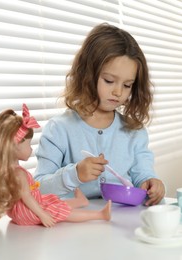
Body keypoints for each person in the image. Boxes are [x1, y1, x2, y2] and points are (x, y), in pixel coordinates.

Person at [34, 23, 165, 206]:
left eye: (127, 85)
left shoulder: (134, 131)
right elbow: (38, 188)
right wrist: (74, 174)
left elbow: (142, 174)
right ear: (87, 74)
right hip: (74, 225)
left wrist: (151, 184)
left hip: (121, 225)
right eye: (109, 81)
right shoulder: (59, 129)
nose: (118, 92)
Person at [0, 104, 112, 227]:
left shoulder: (10, 170)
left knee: (51, 201)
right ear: (14, 147)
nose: (31, 149)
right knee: (58, 212)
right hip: (25, 213)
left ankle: (79, 201)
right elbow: (27, 197)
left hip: (18, 211)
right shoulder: (18, 173)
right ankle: (99, 215)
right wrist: (42, 215)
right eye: (28, 145)